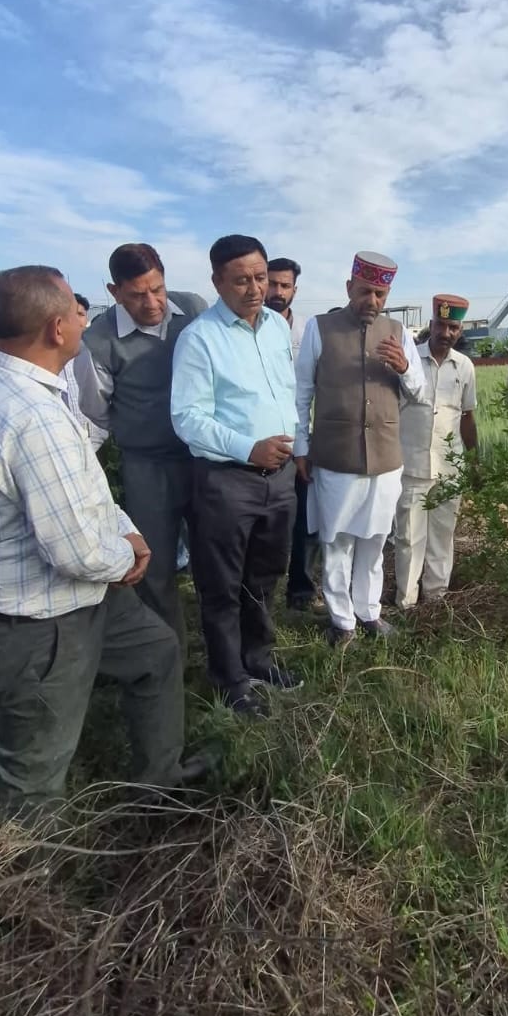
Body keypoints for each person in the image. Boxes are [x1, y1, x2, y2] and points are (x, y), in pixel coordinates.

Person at [0, 265, 192, 817]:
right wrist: (129, 553)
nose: (86, 319)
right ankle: (28, 863)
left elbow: (83, 481)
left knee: (156, 653)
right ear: (56, 329)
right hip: (40, 617)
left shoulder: (35, 386)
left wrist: (124, 525)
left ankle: (161, 784)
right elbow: (75, 552)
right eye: (76, 311)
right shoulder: (30, 414)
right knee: (35, 770)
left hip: (84, 596)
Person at [171, 235, 299, 716]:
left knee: (264, 577)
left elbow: (285, 393)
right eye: (241, 280)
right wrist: (249, 448)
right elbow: (187, 417)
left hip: (280, 477)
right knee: (222, 586)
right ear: (217, 282)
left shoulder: (275, 328)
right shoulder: (200, 339)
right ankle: (230, 680)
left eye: (261, 277)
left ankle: (258, 659)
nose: (255, 289)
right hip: (227, 480)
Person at [294, 251, 427, 645]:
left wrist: (405, 368)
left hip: (385, 458)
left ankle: (369, 612)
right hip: (335, 456)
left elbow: (419, 393)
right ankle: (342, 621)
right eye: (365, 291)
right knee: (337, 542)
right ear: (349, 287)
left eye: (380, 294)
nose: (373, 300)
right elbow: (301, 392)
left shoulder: (398, 332)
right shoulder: (320, 328)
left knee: (375, 540)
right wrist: (301, 447)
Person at [82, 244, 207, 638]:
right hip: (147, 466)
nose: (152, 303)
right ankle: (168, 650)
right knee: (155, 565)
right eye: (137, 295)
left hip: (204, 456)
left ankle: (223, 642)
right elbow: (95, 415)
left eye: (158, 289)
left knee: (215, 554)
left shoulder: (194, 310)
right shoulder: (98, 340)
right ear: (114, 291)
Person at [395, 294, 478, 609]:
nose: (446, 332)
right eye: (440, 325)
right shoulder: (408, 360)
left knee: (443, 537)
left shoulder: (464, 367)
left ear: (460, 330)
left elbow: (467, 417)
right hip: (411, 465)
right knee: (408, 539)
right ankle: (406, 602)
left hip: (449, 469)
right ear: (431, 325)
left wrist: (474, 462)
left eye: (452, 327)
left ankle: (435, 601)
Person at [267, 256, 321, 613]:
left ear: (294, 290)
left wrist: (304, 445)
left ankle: (300, 587)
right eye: (272, 283)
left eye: (284, 285)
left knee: (304, 519)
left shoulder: (307, 330)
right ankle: (262, 589)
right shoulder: (250, 328)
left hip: (300, 439)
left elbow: (311, 390)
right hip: (260, 441)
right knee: (267, 521)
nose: (277, 291)